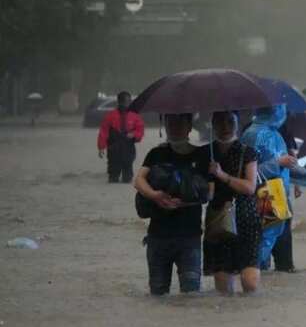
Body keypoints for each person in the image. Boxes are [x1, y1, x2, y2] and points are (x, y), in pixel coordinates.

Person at [242, 105, 306, 271]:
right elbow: (248, 173)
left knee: (278, 250)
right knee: (262, 248)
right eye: (280, 109)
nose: (284, 113)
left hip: (278, 196)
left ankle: (269, 283)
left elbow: (289, 166)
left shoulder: (275, 134)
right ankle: (254, 282)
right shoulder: (254, 135)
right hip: (264, 195)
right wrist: (277, 163)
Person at [133, 113, 210, 296]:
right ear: (165, 125)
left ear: (190, 126)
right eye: (170, 122)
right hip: (158, 237)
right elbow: (138, 181)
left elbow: (209, 193)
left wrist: (186, 200)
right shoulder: (156, 154)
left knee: (191, 295)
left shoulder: (202, 155)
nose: (174, 126)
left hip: (189, 237)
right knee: (158, 295)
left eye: (179, 122)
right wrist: (156, 196)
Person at [204, 111, 262, 294]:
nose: (225, 127)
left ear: (237, 123)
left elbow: (250, 187)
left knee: (250, 283)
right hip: (218, 221)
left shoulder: (247, 152)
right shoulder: (206, 153)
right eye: (220, 122)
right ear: (212, 125)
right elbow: (205, 193)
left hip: (246, 219)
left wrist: (222, 175)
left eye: (230, 122)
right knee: (223, 289)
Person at [98, 91, 144, 183]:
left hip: (128, 149)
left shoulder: (135, 116)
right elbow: (104, 132)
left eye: (128, 101)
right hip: (114, 148)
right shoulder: (110, 116)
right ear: (119, 102)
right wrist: (101, 147)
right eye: (125, 102)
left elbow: (140, 131)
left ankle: (126, 177)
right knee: (113, 177)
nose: (126, 104)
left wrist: (134, 134)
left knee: (127, 178)